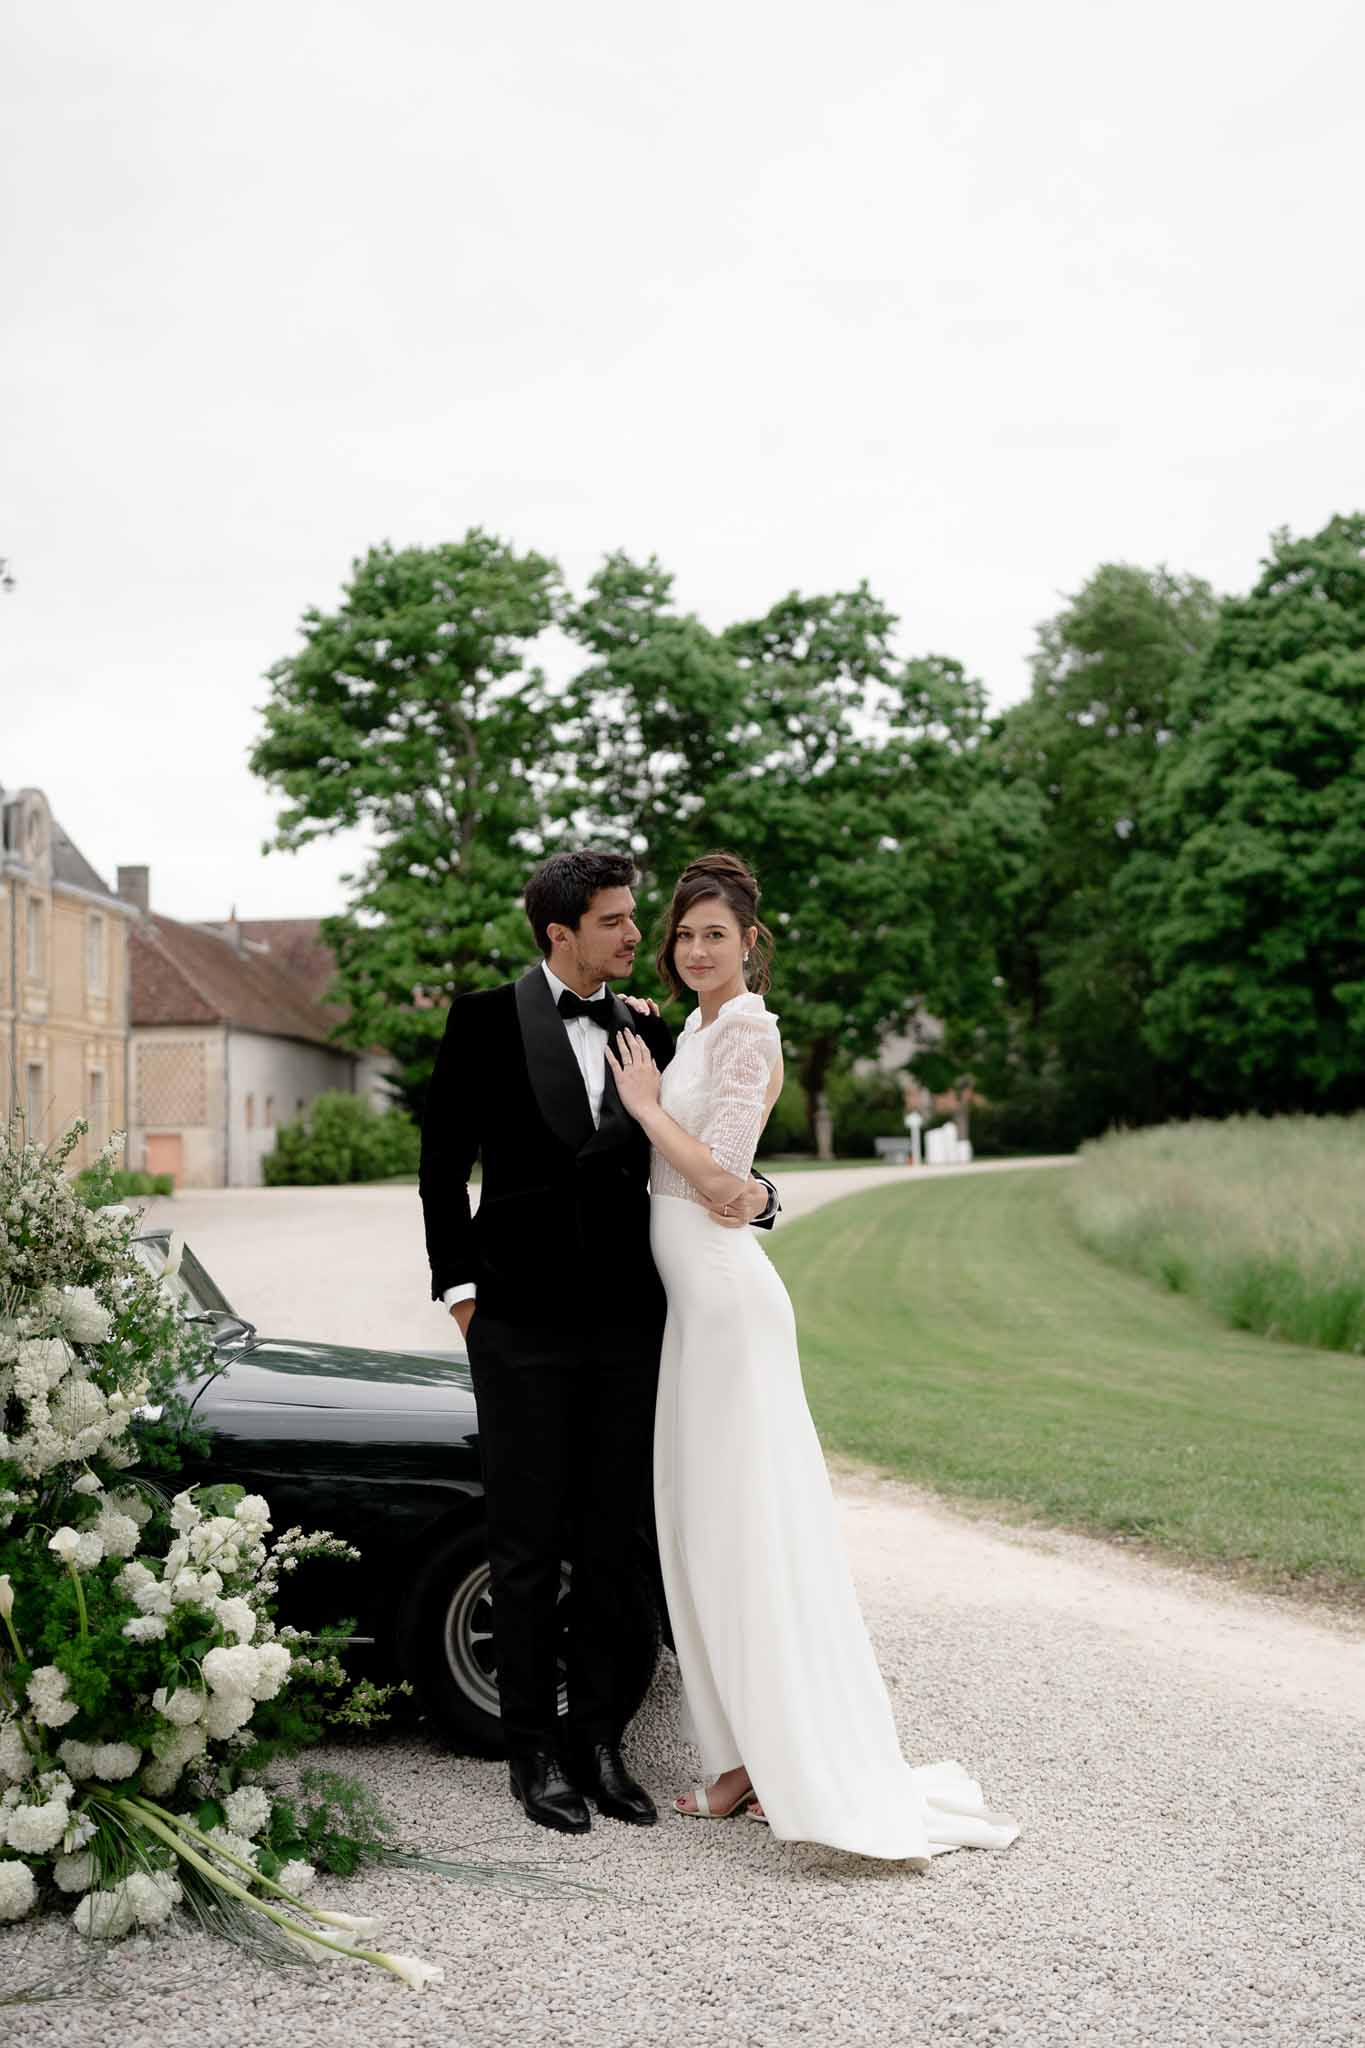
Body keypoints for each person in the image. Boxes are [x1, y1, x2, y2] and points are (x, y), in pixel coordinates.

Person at [605, 851, 1020, 1861]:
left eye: (716, 933)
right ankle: (741, 1755)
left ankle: (779, 1759)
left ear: (751, 942)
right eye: (684, 934)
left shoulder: (746, 1031)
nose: (696, 949)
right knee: (703, 1529)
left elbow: (726, 1181)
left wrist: (650, 1110)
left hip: (730, 1306)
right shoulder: (694, 1025)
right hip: (693, 1311)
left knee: (748, 1529)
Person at [419, 849, 779, 1835]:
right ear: (560, 933)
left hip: (630, 1325)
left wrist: (758, 1201)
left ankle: (601, 1740)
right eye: (618, 921)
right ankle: (532, 1750)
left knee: (615, 1541)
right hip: (519, 1326)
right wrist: (462, 1298)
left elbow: (694, 1155)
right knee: (526, 1545)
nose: (639, 936)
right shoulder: (483, 1019)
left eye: (636, 917)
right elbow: (442, 1165)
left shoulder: (646, 1026)